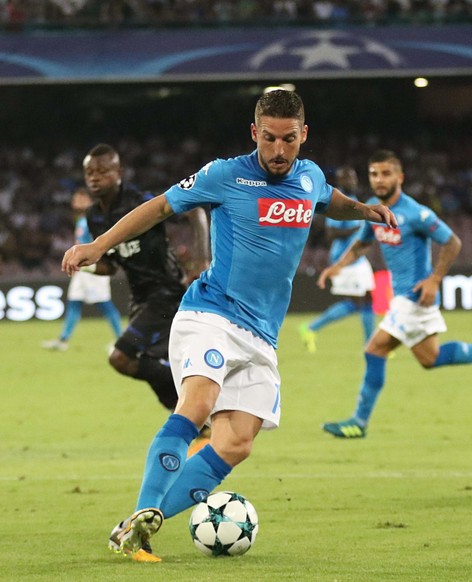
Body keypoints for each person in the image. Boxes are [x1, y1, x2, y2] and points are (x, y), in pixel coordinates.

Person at [62, 89, 396, 563]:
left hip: (262, 335)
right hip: (210, 315)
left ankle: (129, 529)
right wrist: (99, 244)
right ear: (254, 133)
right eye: (270, 140)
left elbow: (330, 199)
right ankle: (144, 513)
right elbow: (159, 207)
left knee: (236, 443)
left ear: (304, 135)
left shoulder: (310, 176)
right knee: (199, 402)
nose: (279, 152)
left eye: (289, 140)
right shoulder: (225, 173)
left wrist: (364, 209)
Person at [319, 149, 472, 440]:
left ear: (400, 177)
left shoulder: (416, 214)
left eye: (386, 173)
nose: (379, 179)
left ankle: (359, 422)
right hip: (404, 298)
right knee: (430, 358)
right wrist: (336, 267)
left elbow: (452, 242)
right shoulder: (374, 210)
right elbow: (363, 244)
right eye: (374, 174)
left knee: (374, 349)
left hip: (414, 297)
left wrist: (434, 280)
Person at [78, 143, 209, 413]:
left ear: (119, 172)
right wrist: (85, 264)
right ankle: (191, 415)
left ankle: (192, 410)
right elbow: (110, 267)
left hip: (168, 293)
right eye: (89, 172)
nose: (94, 177)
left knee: (121, 358)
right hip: (140, 299)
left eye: (102, 171)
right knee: (146, 361)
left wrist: (202, 260)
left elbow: (194, 210)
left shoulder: (139, 201)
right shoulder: (94, 217)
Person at [298, 166, 375, 352]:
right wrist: (357, 230)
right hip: (344, 258)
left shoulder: (354, 201)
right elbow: (331, 234)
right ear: (340, 182)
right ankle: (311, 328)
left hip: (356, 258)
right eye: (348, 179)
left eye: (354, 178)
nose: (352, 182)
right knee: (358, 302)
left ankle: (371, 344)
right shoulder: (337, 203)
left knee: (365, 301)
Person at [42, 187, 123, 351]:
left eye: (80, 198)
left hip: (94, 268)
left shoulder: (96, 218)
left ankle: (121, 342)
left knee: (105, 304)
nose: (76, 202)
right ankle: (63, 340)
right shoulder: (82, 219)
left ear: (89, 200)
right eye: (75, 199)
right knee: (74, 302)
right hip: (81, 269)